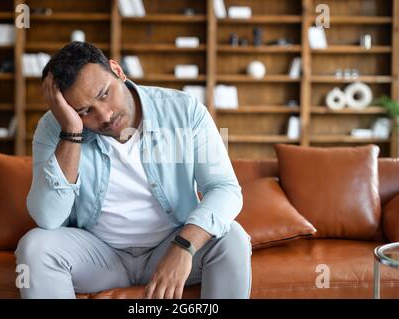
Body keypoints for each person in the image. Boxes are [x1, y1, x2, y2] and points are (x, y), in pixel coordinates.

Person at [14, 41, 252, 299]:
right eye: (85, 111)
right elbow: (48, 218)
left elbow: (224, 189)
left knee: (233, 237)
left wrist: (183, 247)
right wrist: (71, 132)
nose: (105, 115)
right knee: (34, 247)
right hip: (100, 256)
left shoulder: (184, 110)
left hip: (171, 244)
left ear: (117, 70)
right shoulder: (53, 129)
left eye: (104, 94)